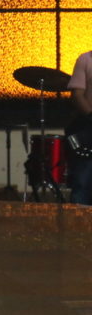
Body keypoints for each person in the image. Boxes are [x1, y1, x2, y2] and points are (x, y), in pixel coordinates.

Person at [66, 54, 92, 204]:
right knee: (83, 181)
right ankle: (79, 216)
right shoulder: (85, 59)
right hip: (88, 128)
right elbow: (77, 95)